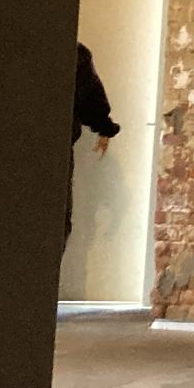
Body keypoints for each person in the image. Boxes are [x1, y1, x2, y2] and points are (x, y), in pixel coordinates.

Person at [69, 43, 120, 245]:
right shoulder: (74, 52)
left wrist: (105, 127)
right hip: (54, 155)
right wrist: (105, 127)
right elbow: (92, 99)